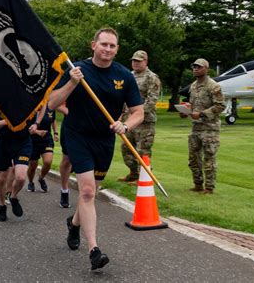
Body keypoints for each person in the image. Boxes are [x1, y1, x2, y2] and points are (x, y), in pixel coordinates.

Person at [49, 28, 143, 271]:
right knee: (88, 192)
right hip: (78, 135)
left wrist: (125, 125)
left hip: (105, 140)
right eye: (103, 44)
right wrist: (72, 82)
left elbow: (138, 113)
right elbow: (52, 102)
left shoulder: (124, 75)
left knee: (89, 193)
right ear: (93, 45)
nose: (108, 49)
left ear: (117, 49)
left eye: (112, 46)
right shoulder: (76, 69)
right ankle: (94, 250)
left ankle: (74, 224)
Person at [180, 58, 225, 194]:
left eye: (198, 67)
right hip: (196, 128)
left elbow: (221, 105)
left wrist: (202, 114)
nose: (195, 69)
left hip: (210, 128)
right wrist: (186, 110)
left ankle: (209, 188)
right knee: (193, 158)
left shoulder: (213, 86)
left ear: (206, 68)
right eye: (194, 67)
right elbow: (194, 105)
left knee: (209, 159)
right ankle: (198, 184)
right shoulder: (193, 86)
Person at [119, 50, 160, 183]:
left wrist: (139, 113)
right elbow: (123, 98)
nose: (135, 63)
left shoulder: (152, 77)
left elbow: (152, 100)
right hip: (129, 121)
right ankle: (133, 173)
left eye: (138, 61)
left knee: (143, 150)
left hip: (145, 122)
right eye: (133, 60)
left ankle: (145, 177)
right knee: (126, 148)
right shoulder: (129, 76)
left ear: (145, 62)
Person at [0, 106, 32, 222]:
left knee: (21, 177)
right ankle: (2, 206)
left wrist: (35, 125)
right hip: (3, 142)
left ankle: (13, 196)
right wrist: (6, 121)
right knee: (2, 178)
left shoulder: (26, 100)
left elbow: (40, 109)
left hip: (23, 142)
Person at [27, 105, 58, 193]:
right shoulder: (30, 106)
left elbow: (53, 120)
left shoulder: (51, 107)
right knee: (33, 165)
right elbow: (25, 126)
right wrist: (37, 132)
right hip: (32, 138)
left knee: (48, 162)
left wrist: (55, 132)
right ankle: (30, 182)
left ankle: (41, 178)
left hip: (46, 138)